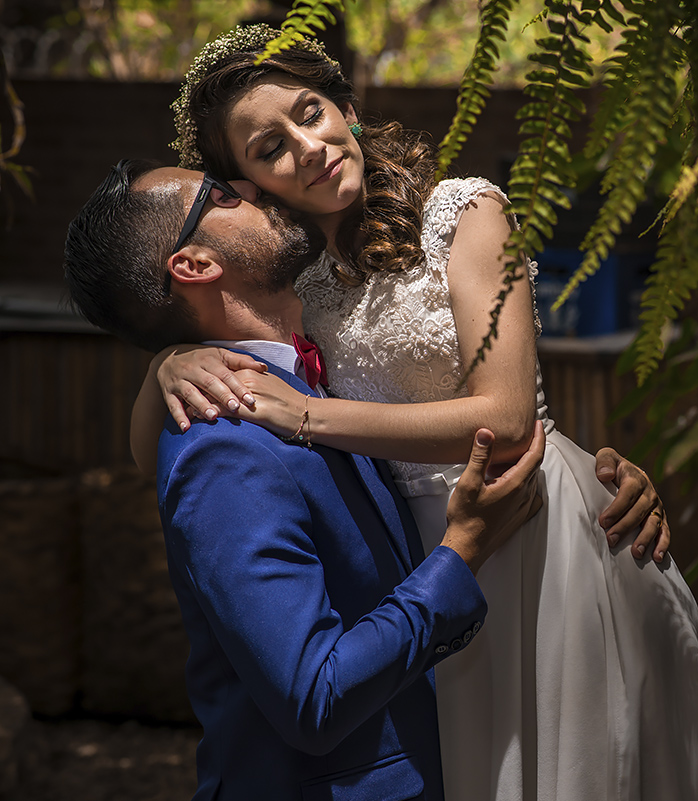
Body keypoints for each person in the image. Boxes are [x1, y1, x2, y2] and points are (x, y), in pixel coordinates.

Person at [136, 25, 698, 801]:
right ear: (252, 186)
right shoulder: (300, 284)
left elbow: (505, 414)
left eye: (312, 111)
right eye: (269, 147)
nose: (309, 144)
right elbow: (148, 451)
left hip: (533, 532)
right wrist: (165, 366)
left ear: (348, 110)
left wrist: (302, 416)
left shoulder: (465, 214)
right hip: (425, 557)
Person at [62, 159, 548, 801]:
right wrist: (462, 553)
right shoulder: (224, 451)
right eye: (222, 192)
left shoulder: (309, 390)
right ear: (196, 264)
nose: (251, 187)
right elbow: (315, 695)